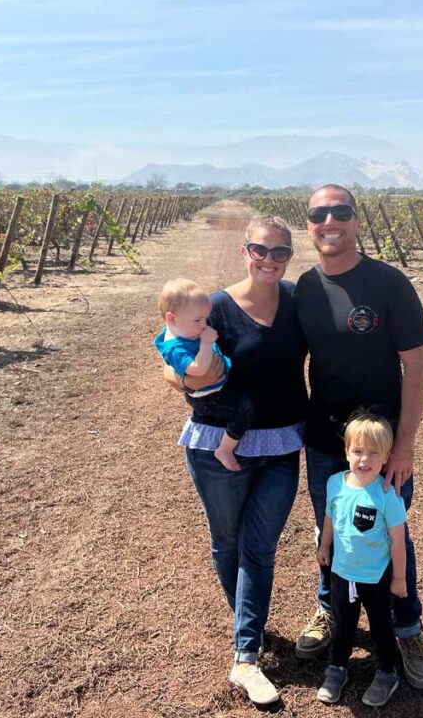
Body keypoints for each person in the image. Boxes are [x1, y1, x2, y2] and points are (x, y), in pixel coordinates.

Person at [161, 215, 307, 706]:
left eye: (279, 252)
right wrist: (183, 380)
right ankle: (251, 635)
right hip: (218, 444)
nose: (268, 260)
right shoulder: (216, 307)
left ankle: (245, 654)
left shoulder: (297, 303)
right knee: (227, 542)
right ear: (245, 252)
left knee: (259, 548)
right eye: (259, 250)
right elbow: (170, 356)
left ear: (290, 256)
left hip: (283, 443)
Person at [294, 184, 423, 689]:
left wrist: (405, 445)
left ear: (356, 220)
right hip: (327, 442)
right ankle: (330, 609)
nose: (329, 220)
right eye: (318, 213)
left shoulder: (388, 284)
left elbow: (416, 364)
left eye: (340, 211)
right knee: (329, 531)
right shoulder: (305, 289)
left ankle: (406, 627)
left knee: (389, 531)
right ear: (308, 224)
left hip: (381, 446)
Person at [316, 414, 408, 707]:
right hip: (342, 573)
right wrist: (325, 544)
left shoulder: (387, 494)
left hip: (376, 576)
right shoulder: (335, 483)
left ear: (386, 458)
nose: (364, 460)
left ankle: (385, 672)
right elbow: (330, 517)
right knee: (343, 624)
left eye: (373, 453)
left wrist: (399, 578)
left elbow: (397, 541)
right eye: (357, 451)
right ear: (346, 452)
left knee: (381, 625)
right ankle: (337, 669)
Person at [153, 278, 249, 471]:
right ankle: (224, 449)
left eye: (205, 318)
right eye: (198, 320)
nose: (204, 325)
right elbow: (198, 370)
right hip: (208, 398)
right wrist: (206, 344)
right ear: (171, 319)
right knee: (244, 413)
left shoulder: (185, 332)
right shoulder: (175, 348)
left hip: (217, 388)